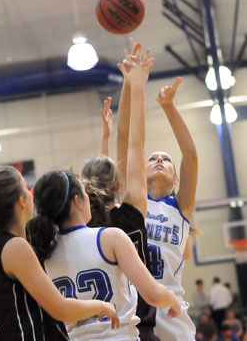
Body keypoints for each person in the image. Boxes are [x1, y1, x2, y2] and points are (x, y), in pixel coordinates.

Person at [27, 170, 181, 341]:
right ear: (77, 201)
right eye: (85, 193)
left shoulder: (44, 252)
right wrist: (173, 300)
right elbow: (153, 294)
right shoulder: (111, 237)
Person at [81, 41, 166, 341]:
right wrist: (136, 86)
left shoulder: (79, 227)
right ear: (118, 186)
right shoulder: (130, 215)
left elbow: (124, 145)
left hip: (92, 332)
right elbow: (134, 144)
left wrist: (131, 86)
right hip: (138, 330)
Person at [116, 40, 198, 340]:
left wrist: (169, 107)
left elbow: (191, 155)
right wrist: (129, 85)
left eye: (166, 159)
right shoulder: (133, 198)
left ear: (175, 178)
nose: (160, 160)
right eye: (153, 158)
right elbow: (125, 138)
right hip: (136, 306)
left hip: (171, 306)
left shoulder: (182, 207)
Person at [0, 165, 119, 341]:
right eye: (25, 187)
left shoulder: (6, 246)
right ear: (21, 201)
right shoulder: (15, 247)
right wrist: (101, 306)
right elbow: (60, 308)